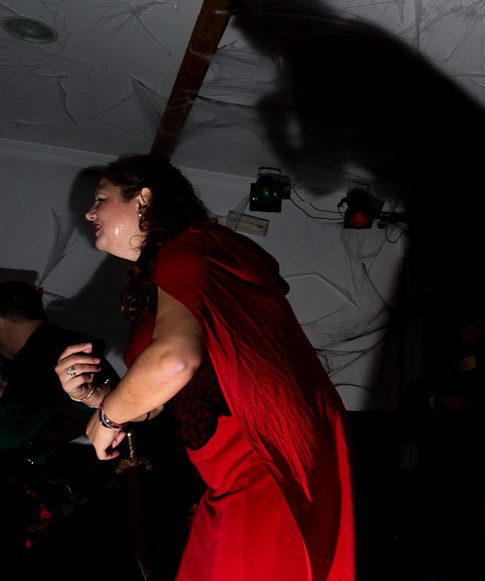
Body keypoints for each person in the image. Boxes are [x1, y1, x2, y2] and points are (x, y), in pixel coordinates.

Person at [54, 153, 356, 581]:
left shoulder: (190, 248)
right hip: (227, 473)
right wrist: (93, 395)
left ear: (143, 199)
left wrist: (108, 416)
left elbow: (174, 360)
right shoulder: (173, 267)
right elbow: (158, 401)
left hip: (260, 462)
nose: (89, 213)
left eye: (100, 199)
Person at [0, 280, 127, 577]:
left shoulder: (46, 355)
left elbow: (8, 433)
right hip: (92, 501)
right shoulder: (52, 348)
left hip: (102, 504)